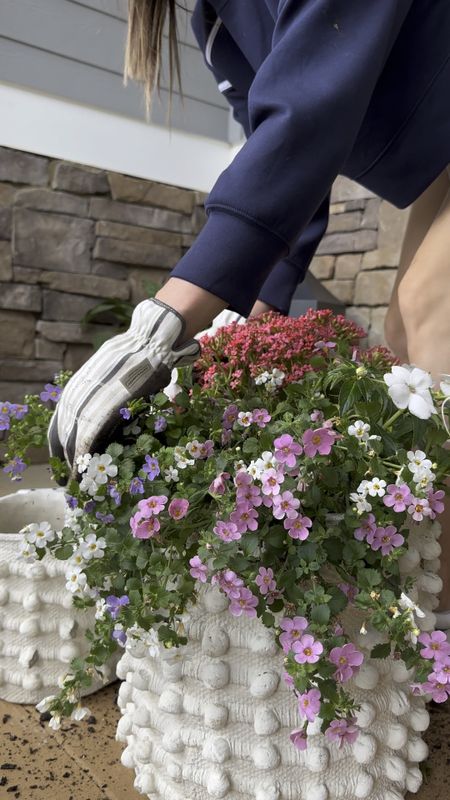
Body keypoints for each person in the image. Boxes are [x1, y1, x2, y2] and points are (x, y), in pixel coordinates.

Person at [48, 0, 450, 604]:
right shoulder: (213, 28)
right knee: (407, 342)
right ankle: (426, 605)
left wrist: (158, 328)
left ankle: (430, 625)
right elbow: (283, 163)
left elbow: (306, 118)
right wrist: (244, 332)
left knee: (430, 326)